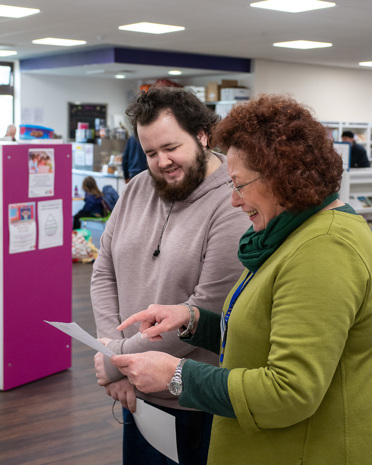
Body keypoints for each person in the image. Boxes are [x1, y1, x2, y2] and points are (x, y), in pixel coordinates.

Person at [110, 94, 372, 465]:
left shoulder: (325, 248)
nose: (234, 201)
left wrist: (178, 374)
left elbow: (289, 391)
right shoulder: (292, 235)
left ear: (283, 176)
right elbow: (262, 335)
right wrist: (194, 322)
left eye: (239, 185)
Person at [91, 87, 250, 465]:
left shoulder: (235, 201)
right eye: (150, 153)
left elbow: (206, 308)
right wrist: (113, 354)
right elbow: (103, 273)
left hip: (193, 403)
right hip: (135, 394)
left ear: (202, 135)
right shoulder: (136, 189)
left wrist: (114, 362)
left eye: (171, 147)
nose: (162, 162)